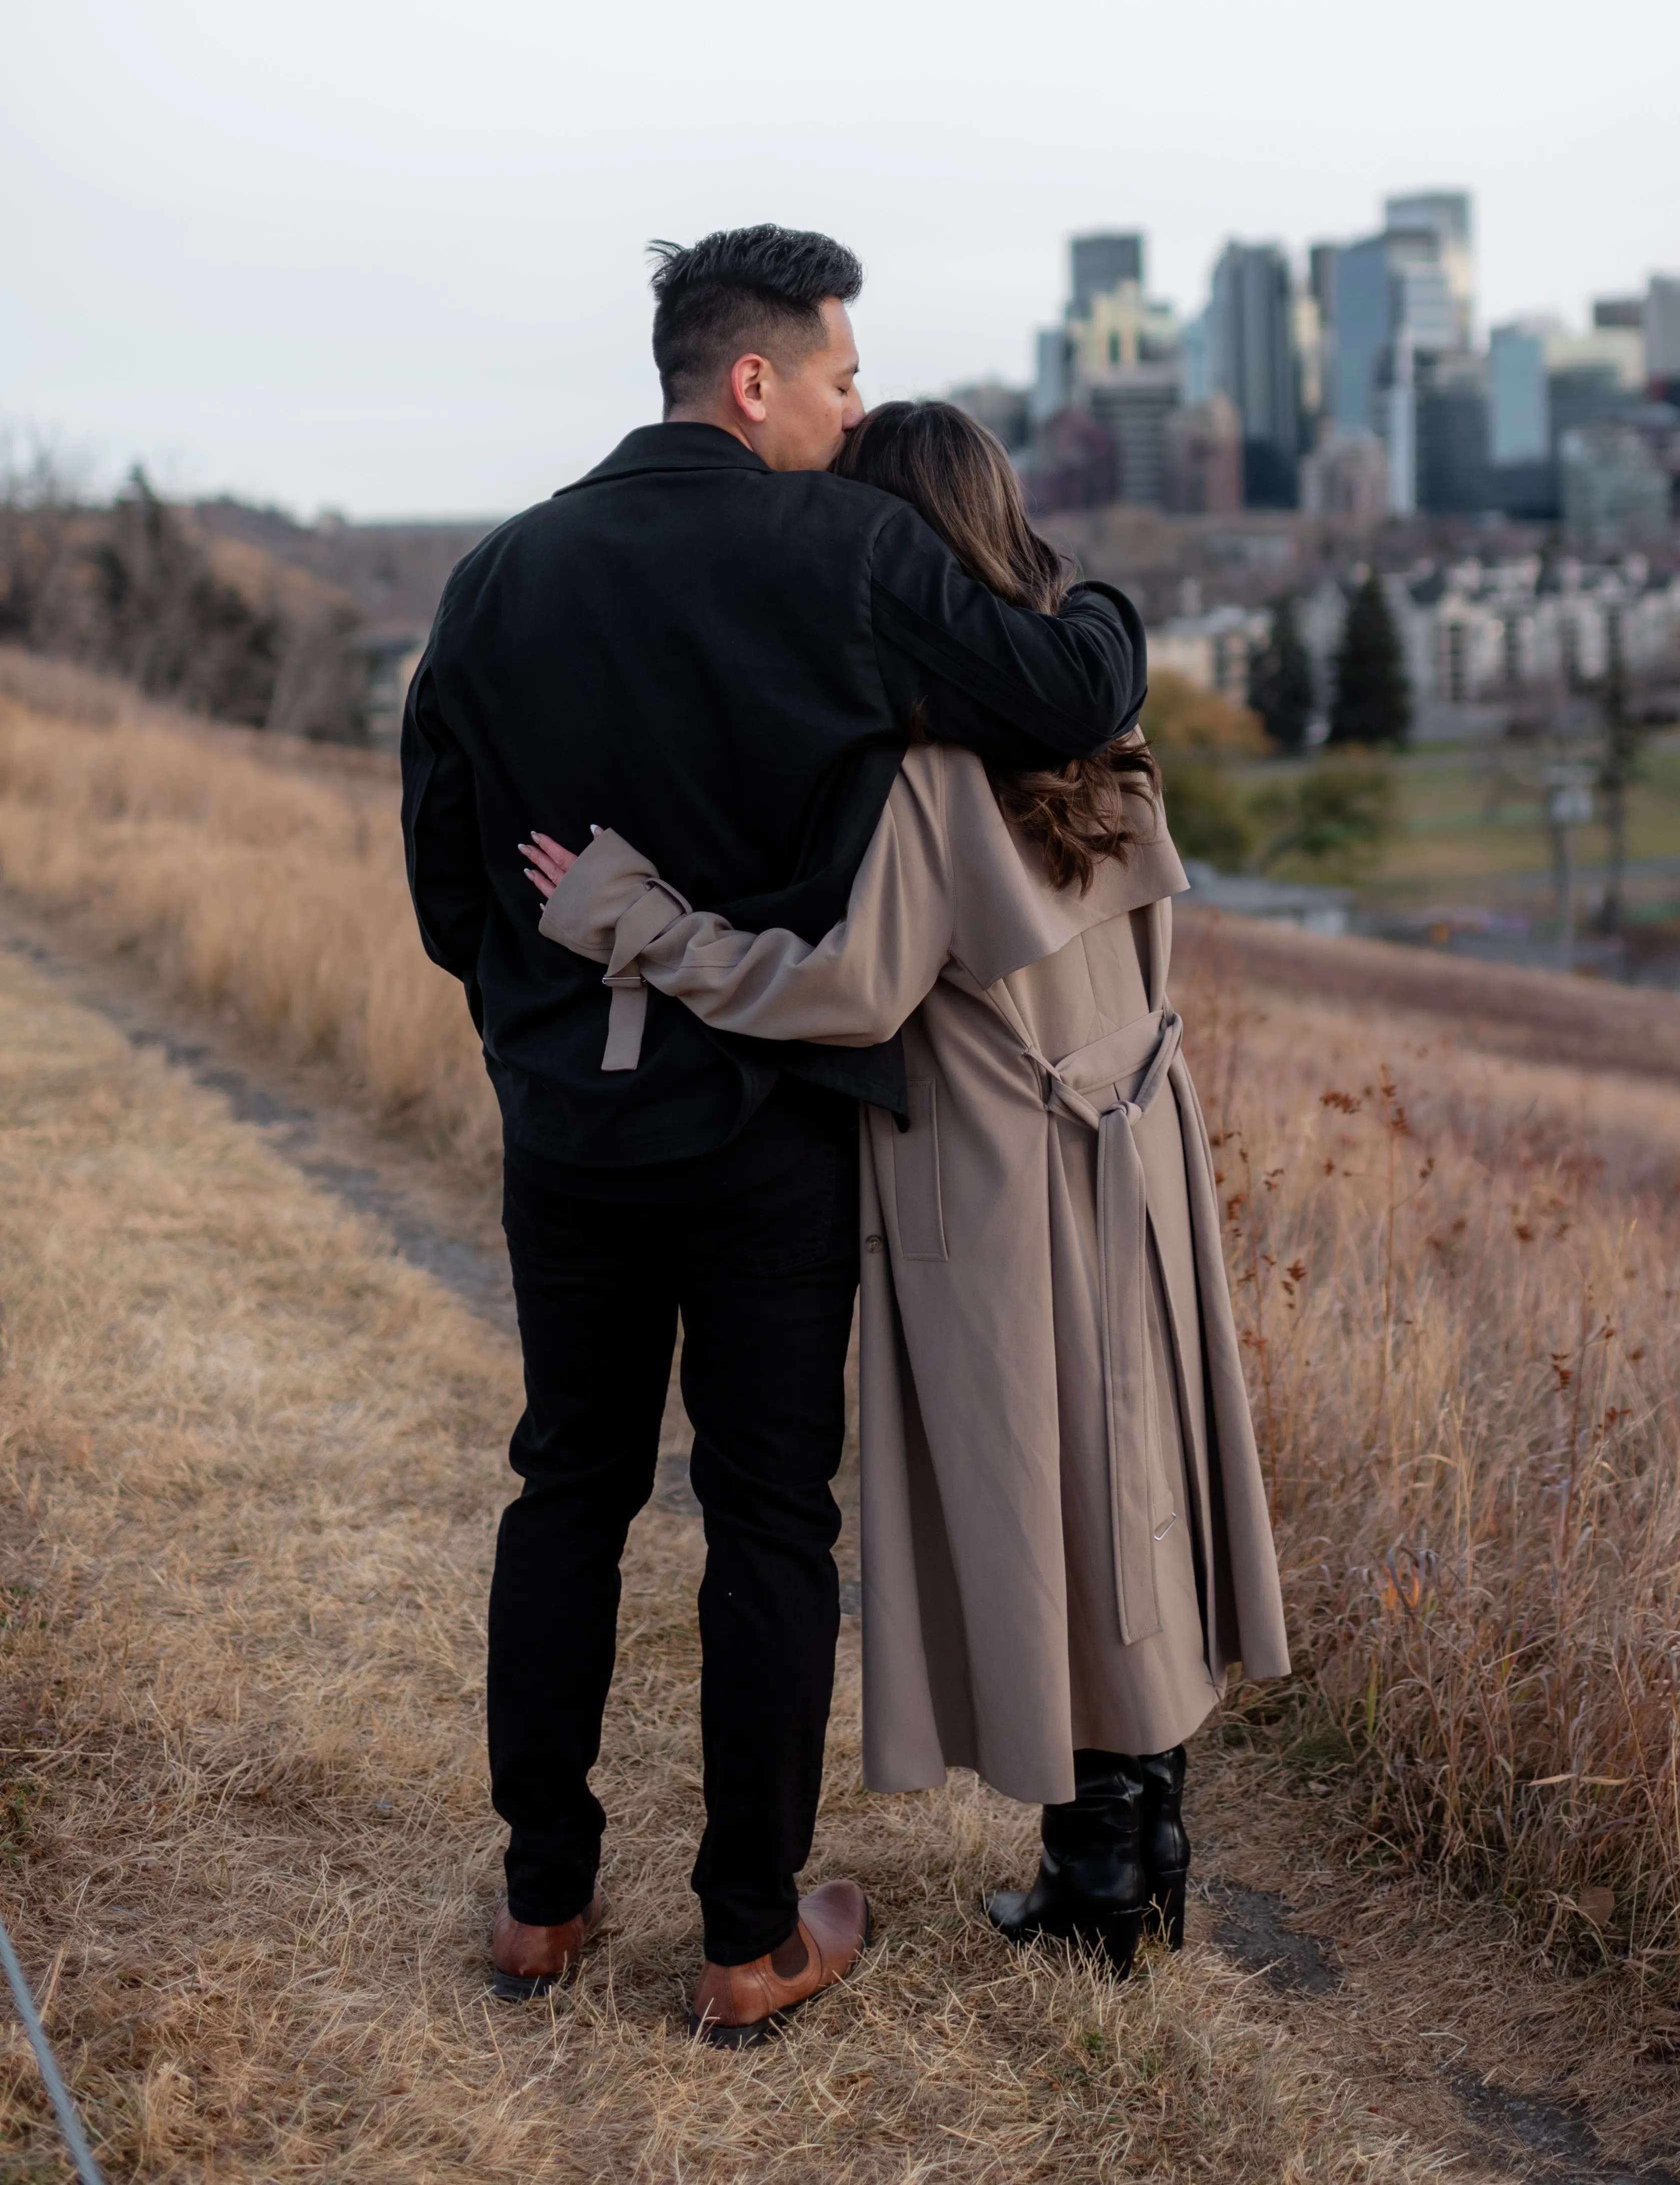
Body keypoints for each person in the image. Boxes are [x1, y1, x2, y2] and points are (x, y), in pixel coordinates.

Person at [401, 234, 1146, 2043]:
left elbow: (445, 883)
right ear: (754, 382)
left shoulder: (498, 576)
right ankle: (747, 1938)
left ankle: (542, 1902)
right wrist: (1105, 604)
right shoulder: (854, 553)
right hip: (766, 1129)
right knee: (764, 1518)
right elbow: (1073, 693)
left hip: (569, 1121)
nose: (853, 404)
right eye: (836, 376)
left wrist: (543, 1028)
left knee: (566, 1480)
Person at [524, 400, 1289, 1983]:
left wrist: (636, 921)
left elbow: (844, 993)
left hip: (1001, 1175)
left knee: (1045, 1505)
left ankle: (1098, 1878)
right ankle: (1135, 1851)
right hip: (1139, 1144)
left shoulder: (933, 772)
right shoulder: (1102, 732)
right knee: (1130, 1486)